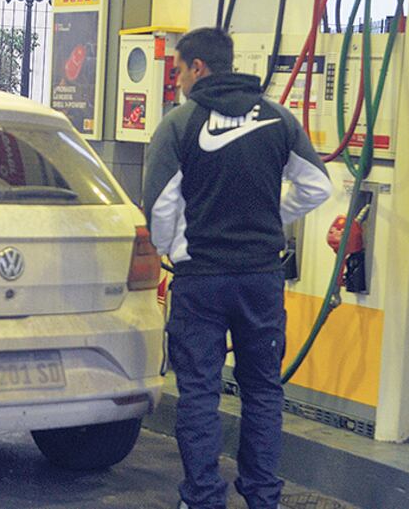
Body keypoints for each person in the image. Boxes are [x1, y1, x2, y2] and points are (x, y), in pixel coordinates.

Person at [142, 28, 333, 509]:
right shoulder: (278, 118)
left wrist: (173, 249)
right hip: (260, 279)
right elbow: (317, 186)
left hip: (201, 280)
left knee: (200, 393)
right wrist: (271, 217)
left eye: (178, 70)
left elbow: (160, 207)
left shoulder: (179, 124)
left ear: (198, 67)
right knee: (263, 390)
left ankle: (204, 498)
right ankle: (263, 497)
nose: (177, 80)